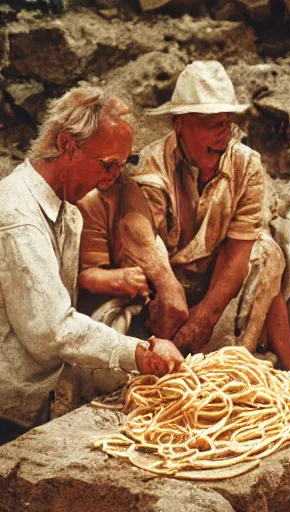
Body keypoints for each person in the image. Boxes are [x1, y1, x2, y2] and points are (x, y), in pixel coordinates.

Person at [75, 61, 290, 373]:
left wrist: (205, 317)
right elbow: (141, 241)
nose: (222, 134)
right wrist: (167, 288)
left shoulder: (247, 165)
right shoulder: (149, 167)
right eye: (209, 123)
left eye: (225, 123)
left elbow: (237, 253)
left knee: (267, 252)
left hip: (212, 284)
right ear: (180, 125)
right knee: (117, 346)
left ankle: (247, 366)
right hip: (159, 291)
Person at [0, 87, 183, 443]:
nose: (113, 177)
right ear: (67, 145)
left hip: (37, 399)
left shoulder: (68, 211)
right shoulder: (16, 215)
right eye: (107, 164)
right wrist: (136, 353)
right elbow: (51, 330)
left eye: (120, 165)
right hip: (7, 407)